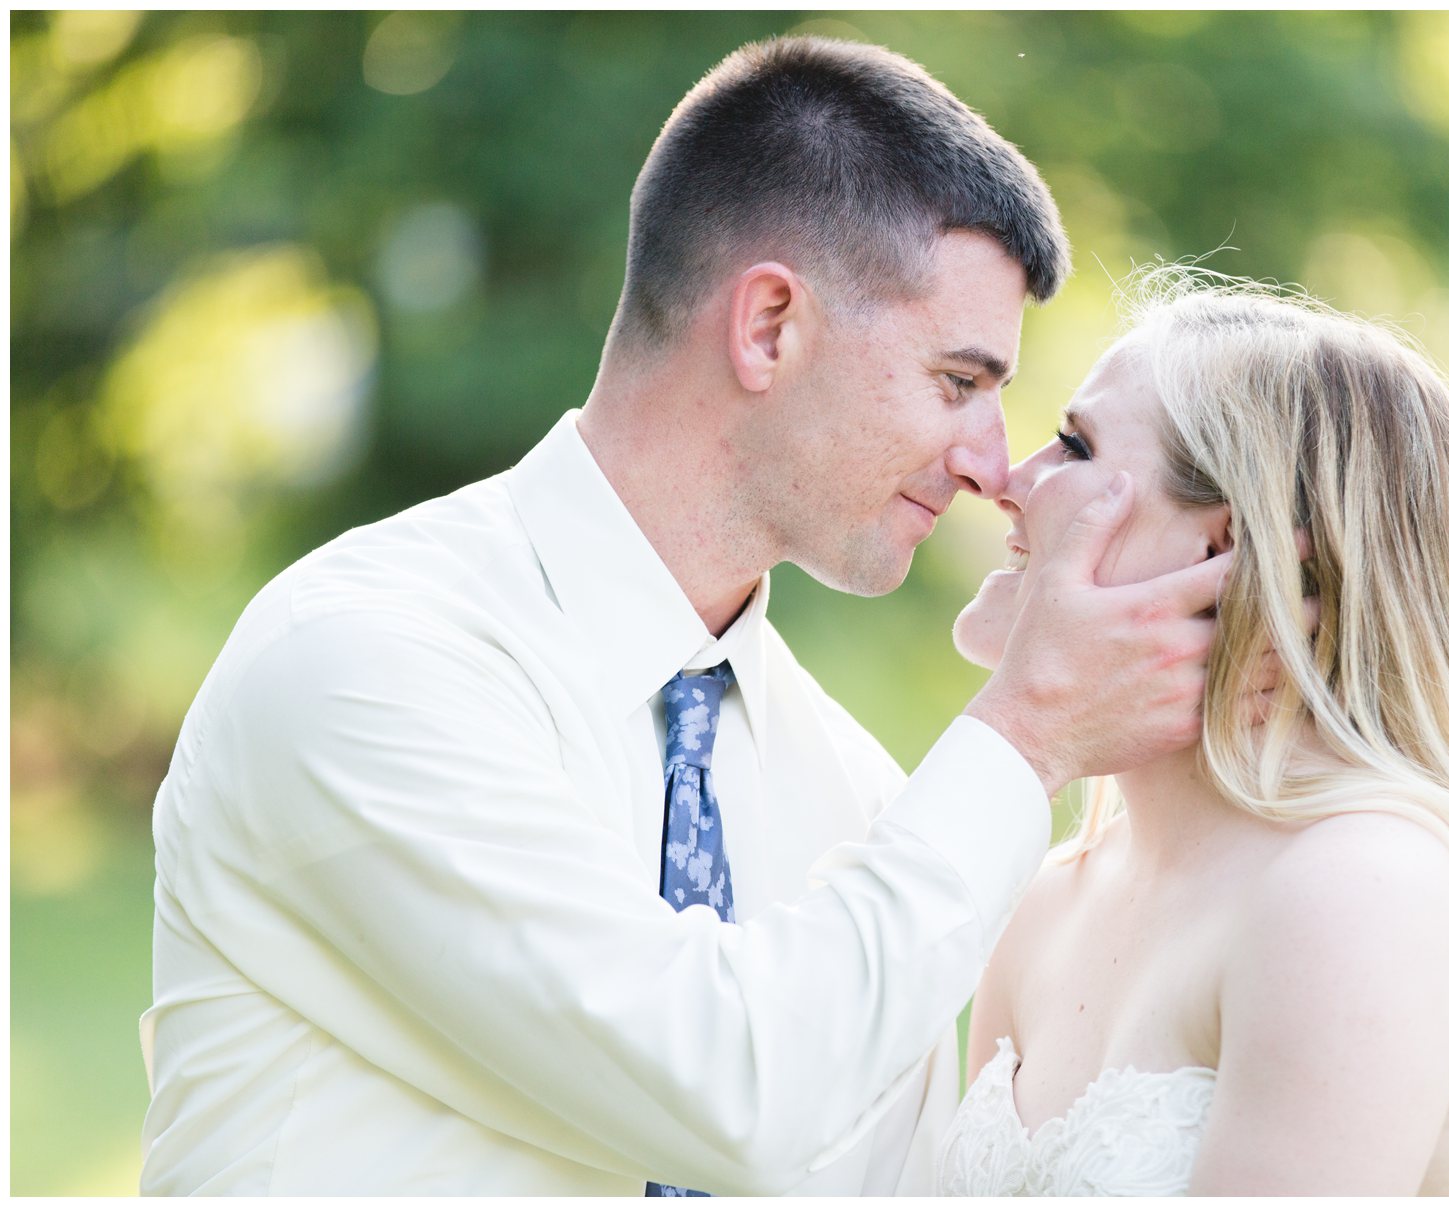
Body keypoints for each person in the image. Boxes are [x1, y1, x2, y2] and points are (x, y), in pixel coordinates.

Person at [136, 37, 1237, 1196]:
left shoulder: (861, 804)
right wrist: (1031, 730)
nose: (989, 463)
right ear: (769, 325)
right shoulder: (358, 662)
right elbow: (721, 1091)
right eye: (958, 384)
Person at [937, 269, 1449, 1196]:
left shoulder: (1360, 889)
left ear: (1222, 554)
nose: (1010, 481)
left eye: (1074, 445)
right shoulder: (1049, 901)